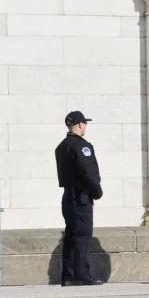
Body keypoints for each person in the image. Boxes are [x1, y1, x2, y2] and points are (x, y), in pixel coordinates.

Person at [55, 111, 103, 286]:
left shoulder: (61, 146)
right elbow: (88, 171)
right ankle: (82, 274)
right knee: (82, 235)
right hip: (81, 197)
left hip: (68, 196)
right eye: (84, 124)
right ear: (80, 124)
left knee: (70, 235)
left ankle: (68, 276)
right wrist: (97, 191)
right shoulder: (82, 146)